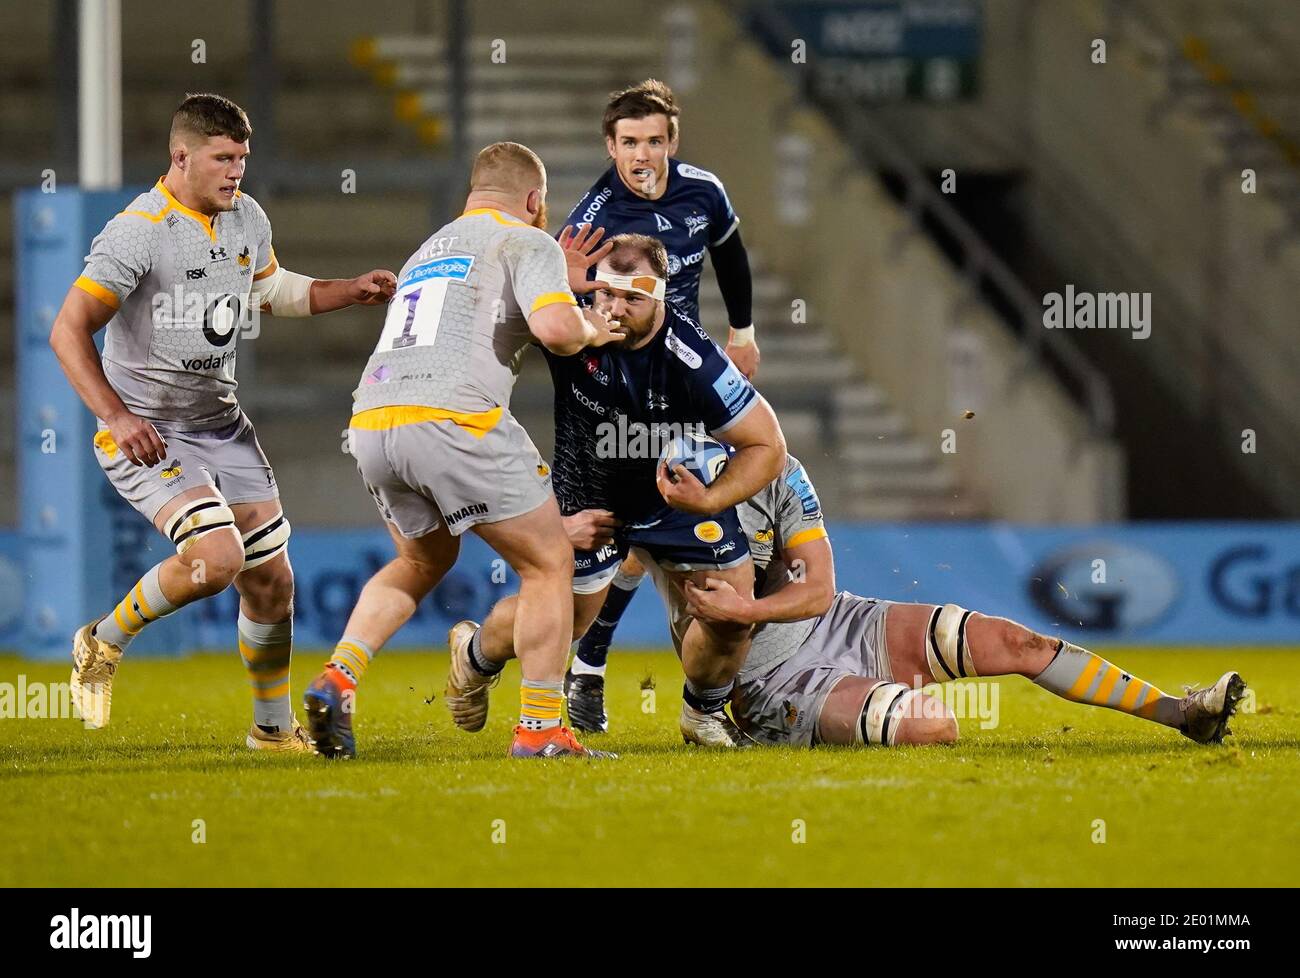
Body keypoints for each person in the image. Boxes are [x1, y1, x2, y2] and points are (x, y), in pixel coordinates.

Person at [49, 93, 396, 751]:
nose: (236, 171)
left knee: (272, 581)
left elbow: (271, 291)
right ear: (182, 156)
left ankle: (270, 732)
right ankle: (102, 640)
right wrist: (116, 416)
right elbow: (67, 331)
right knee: (217, 557)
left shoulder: (245, 218)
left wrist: (346, 290)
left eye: (242, 157)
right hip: (148, 428)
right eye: (222, 158)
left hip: (221, 424)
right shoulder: (138, 231)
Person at [302, 141, 624, 760]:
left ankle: (338, 679)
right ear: (535, 201)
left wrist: (557, 282)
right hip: (453, 419)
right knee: (549, 562)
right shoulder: (529, 241)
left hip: (373, 420)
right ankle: (540, 731)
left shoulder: (429, 249)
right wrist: (592, 325)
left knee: (422, 562)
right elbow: (558, 331)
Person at [640, 454, 1247, 749]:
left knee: (1020, 642)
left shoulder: (782, 469)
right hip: (769, 680)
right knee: (934, 726)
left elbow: (819, 588)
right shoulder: (661, 480)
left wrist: (748, 610)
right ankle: (779, 725)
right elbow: (602, 560)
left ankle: (1180, 714)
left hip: (837, 619)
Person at [445, 233, 787, 747]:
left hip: (674, 501)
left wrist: (711, 499)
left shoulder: (693, 357)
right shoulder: (568, 326)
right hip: (589, 503)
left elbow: (768, 445)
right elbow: (478, 316)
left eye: (633, 298)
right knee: (568, 617)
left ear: (662, 297)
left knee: (733, 606)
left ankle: (703, 714)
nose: (615, 309)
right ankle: (474, 654)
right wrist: (546, 276)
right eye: (606, 294)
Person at [562, 80, 760, 711]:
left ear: (671, 141)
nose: (641, 155)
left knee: (657, 520)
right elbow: (561, 308)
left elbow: (730, 254)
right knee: (634, 522)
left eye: (653, 140)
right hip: (619, 389)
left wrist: (743, 331)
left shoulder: (704, 191)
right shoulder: (592, 220)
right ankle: (587, 666)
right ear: (610, 147)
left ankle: (598, 668)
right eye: (628, 143)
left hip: (685, 375)